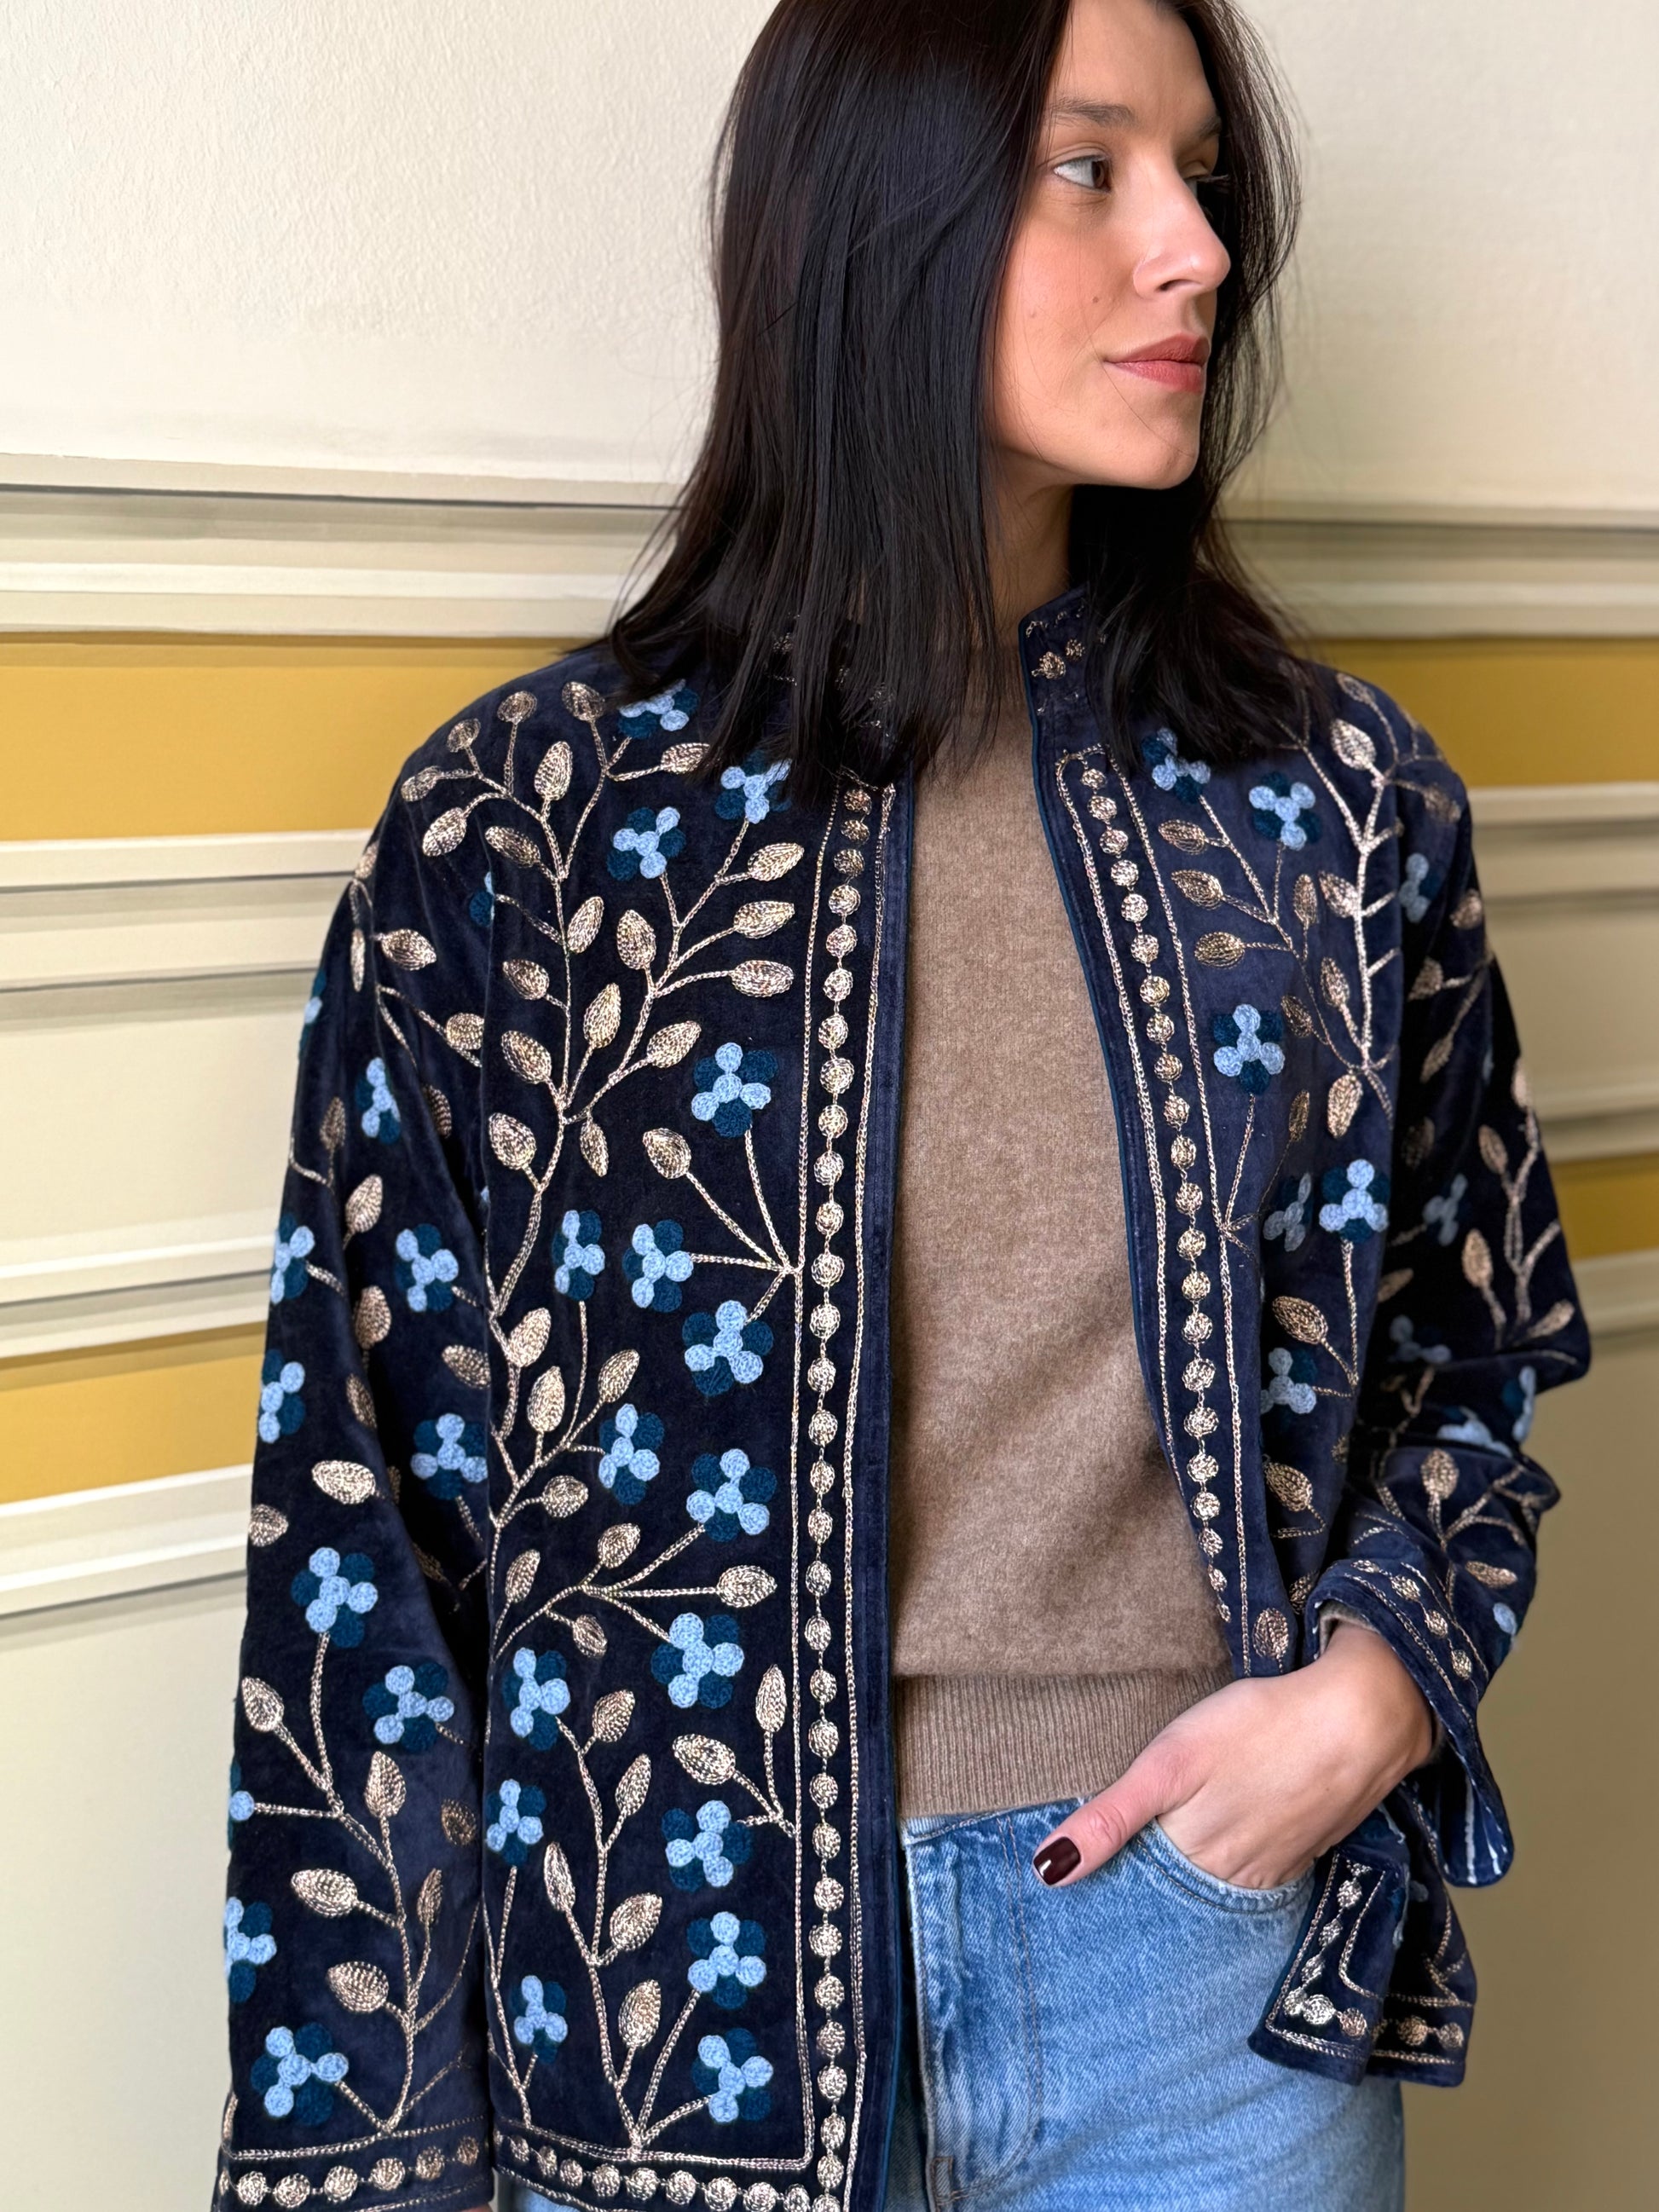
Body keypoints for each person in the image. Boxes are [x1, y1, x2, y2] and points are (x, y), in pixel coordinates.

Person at [214, 2, 1587, 2209]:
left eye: (1204, 175)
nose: (1196, 248)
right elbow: (365, 1537)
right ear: (877, 212)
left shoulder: (1333, 814)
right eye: (1090, 166)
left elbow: (1463, 1347)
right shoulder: (527, 834)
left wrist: (1376, 1694)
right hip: (665, 2015)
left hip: (1202, 2000)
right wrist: (370, 2153)